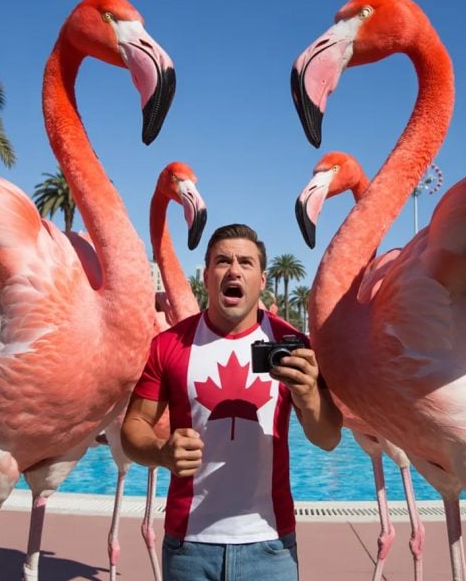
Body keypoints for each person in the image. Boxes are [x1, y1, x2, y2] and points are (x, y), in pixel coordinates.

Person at [121, 223, 342, 579]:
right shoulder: (170, 345)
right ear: (207, 276)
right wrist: (161, 453)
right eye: (223, 261)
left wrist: (309, 395)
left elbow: (328, 439)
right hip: (188, 547)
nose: (234, 270)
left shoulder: (292, 344)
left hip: (271, 547)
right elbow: (133, 427)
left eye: (246, 262)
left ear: (263, 280)